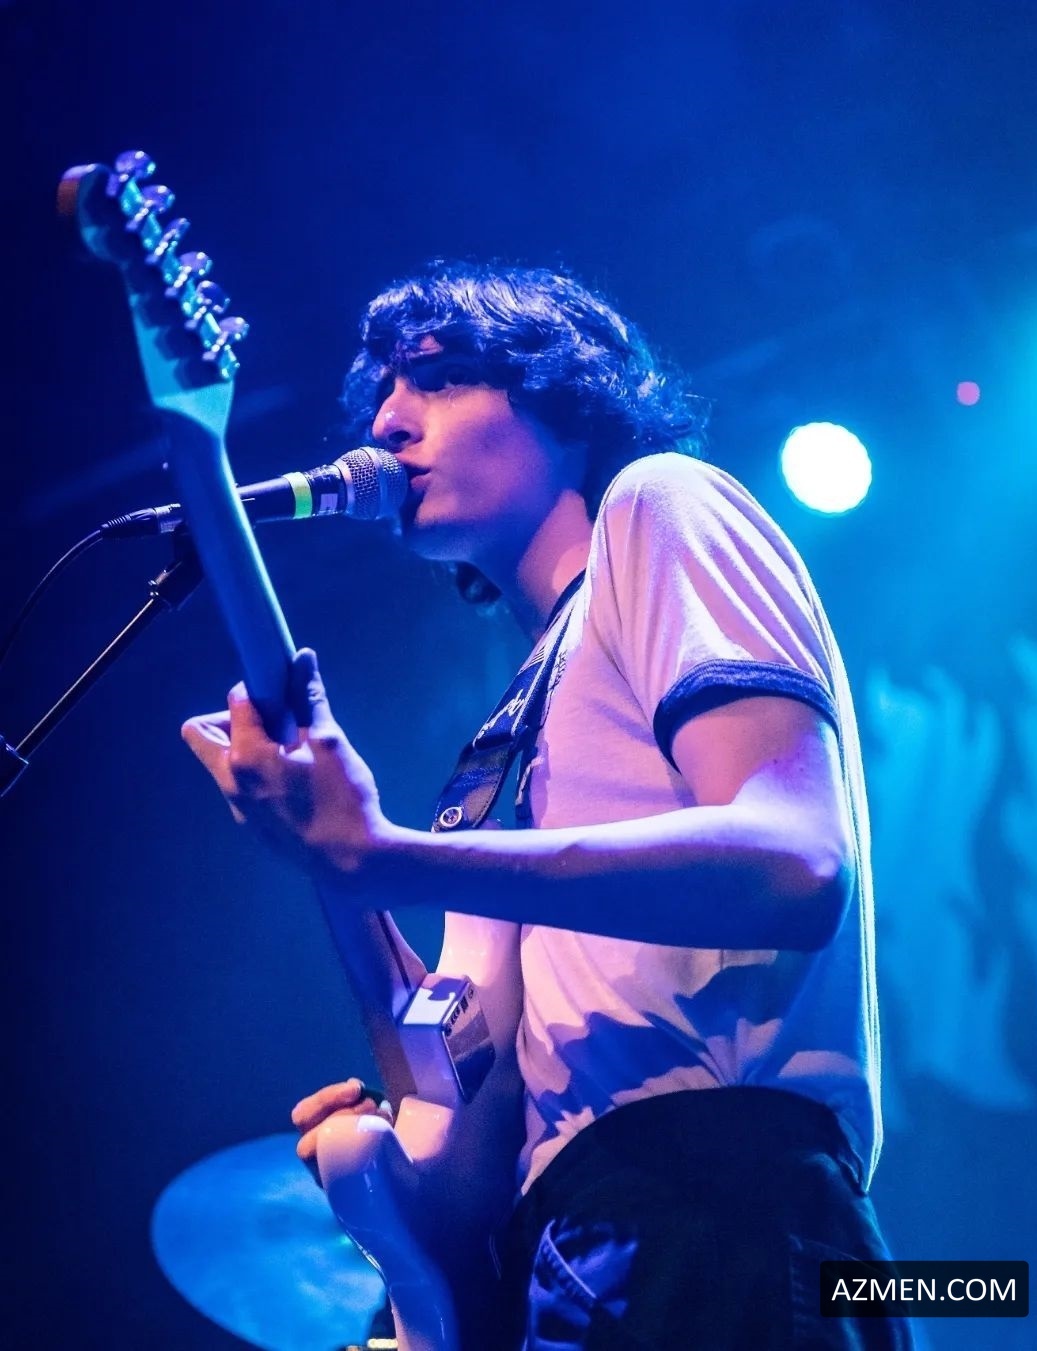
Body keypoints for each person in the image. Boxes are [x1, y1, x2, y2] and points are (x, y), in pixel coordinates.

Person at [183, 264, 909, 1348]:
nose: (387, 420)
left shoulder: (660, 502)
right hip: (574, 1257)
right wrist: (381, 1169)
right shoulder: (507, 745)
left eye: (437, 378)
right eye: (384, 394)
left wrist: (387, 857)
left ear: (564, 397)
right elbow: (465, 1152)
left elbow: (795, 864)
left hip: (726, 1218)